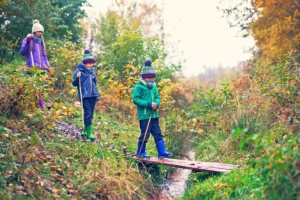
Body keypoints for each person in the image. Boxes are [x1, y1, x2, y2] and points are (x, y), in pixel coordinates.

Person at [132, 59, 173, 159]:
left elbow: (157, 97)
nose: (150, 80)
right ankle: (140, 152)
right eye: (148, 78)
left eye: (152, 78)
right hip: (145, 116)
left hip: (154, 115)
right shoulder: (139, 87)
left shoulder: (154, 87)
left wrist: (157, 104)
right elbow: (135, 99)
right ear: (143, 77)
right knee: (145, 134)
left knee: (158, 133)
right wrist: (148, 104)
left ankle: (161, 152)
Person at [19, 19, 53, 109]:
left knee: (42, 88)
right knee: (36, 88)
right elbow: (22, 52)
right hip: (33, 68)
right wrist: (27, 41)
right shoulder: (28, 41)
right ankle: (41, 106)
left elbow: (45, 57)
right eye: (39, 31)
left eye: (41, 32)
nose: (40, 33)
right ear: (34, 31)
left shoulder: (41, 43)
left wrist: (49, 68)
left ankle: (39, 105)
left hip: (42, 69)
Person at [72, 50, 100, 140]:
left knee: (90, 114)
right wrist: (77, 77)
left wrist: (97, 95)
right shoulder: (79, 71)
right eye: (89, 63)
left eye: (92, 63)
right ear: (85, 63)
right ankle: (89, 132)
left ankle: (86, 129)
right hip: (85, 95)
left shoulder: (92, 72)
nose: (91, 65)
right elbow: (75, 83)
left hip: (93, 95)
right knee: (87, 113)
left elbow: (94, 84)